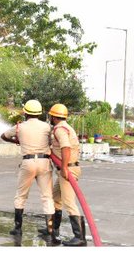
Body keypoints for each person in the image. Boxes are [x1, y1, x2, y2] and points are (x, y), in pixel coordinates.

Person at [0, 99, 56, 240]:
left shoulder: (20, 127)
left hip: (28, 162)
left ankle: (18, 229)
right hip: (44, 162)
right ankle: (50, 230)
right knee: (47, 197)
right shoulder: (47, 127)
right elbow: (52, 141)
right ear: (39, 113)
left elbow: (4, 136)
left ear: (25, 113)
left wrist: (17, 141)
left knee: (21, 195)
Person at [48, 103, 86, 246]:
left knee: (69, 203)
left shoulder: (59, 129)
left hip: (68, 170)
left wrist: (63, 167)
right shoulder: (66, 127)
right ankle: (53, 229)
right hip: (69, 168)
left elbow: (66, 147)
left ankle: (79, 237)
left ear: (53, 116)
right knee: (55, 197)